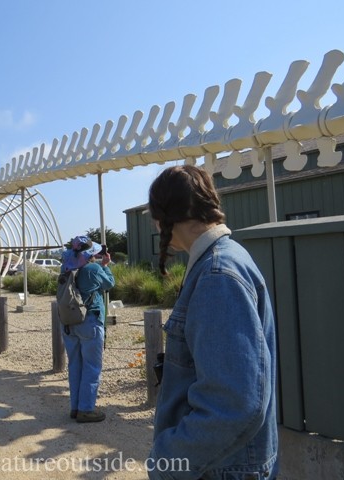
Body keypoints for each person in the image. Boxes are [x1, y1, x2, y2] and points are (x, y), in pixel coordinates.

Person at [146, 165, 278, 479]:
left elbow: (233, 404)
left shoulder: (217, 274)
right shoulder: (226, 259)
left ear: (164, 217)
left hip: (221, 470)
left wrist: (166, 460)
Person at [60, 235, 115, 423]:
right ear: (92, 253)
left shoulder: (66, 267)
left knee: (75, 365)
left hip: (69, 321)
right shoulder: (93, 268)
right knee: (91, 367)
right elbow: (109, 284)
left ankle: (75, 407)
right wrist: (105, 266)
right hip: (89, 320)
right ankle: (86, 409)